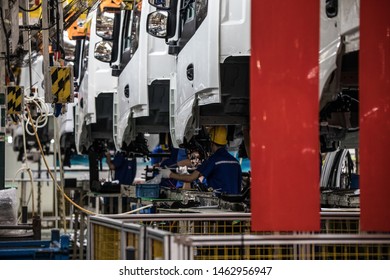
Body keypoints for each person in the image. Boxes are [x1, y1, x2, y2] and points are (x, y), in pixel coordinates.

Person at [161, 126, 242, 194]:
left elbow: (191, 178)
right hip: (235, 206)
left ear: (211, 142)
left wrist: (169, 174)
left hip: (220, 204)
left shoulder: (213, 160)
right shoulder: (236, 162)